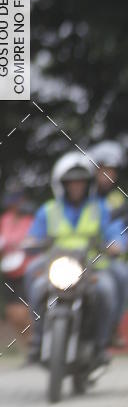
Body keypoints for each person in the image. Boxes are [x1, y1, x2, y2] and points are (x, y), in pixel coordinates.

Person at [24, 151, 126, 366]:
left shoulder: (100, 208)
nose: (76, 187)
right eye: (71, 183)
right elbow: (33, 236)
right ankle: (39, 339)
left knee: (107, 289)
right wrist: (29, 243)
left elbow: (114, 232)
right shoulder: (48, 210)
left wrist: (116, 244)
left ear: (88, 184)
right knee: (33, 277)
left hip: (92, 266)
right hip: (56, 265)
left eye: (80, 182)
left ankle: (101, 344)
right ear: (62, 184)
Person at [90, 141, 128, 344]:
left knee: (123, 274)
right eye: (104, 169)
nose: (108, 175)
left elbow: (120, 228)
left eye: (112, 171)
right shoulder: (80, 194)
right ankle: (41, 338)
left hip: (105, 257)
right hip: (76, 256)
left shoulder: (117, 199)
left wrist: (118, 243)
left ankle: (112, 328)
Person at [0, 178, 34, 340]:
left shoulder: (31, 219)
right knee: (11, 312)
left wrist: (18, 244)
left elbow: (32, 241)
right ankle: (28, 346)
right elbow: (0, 240)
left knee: (24, 311)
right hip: (9, 271)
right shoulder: (5, 219)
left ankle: (36, 341)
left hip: (27, 270)